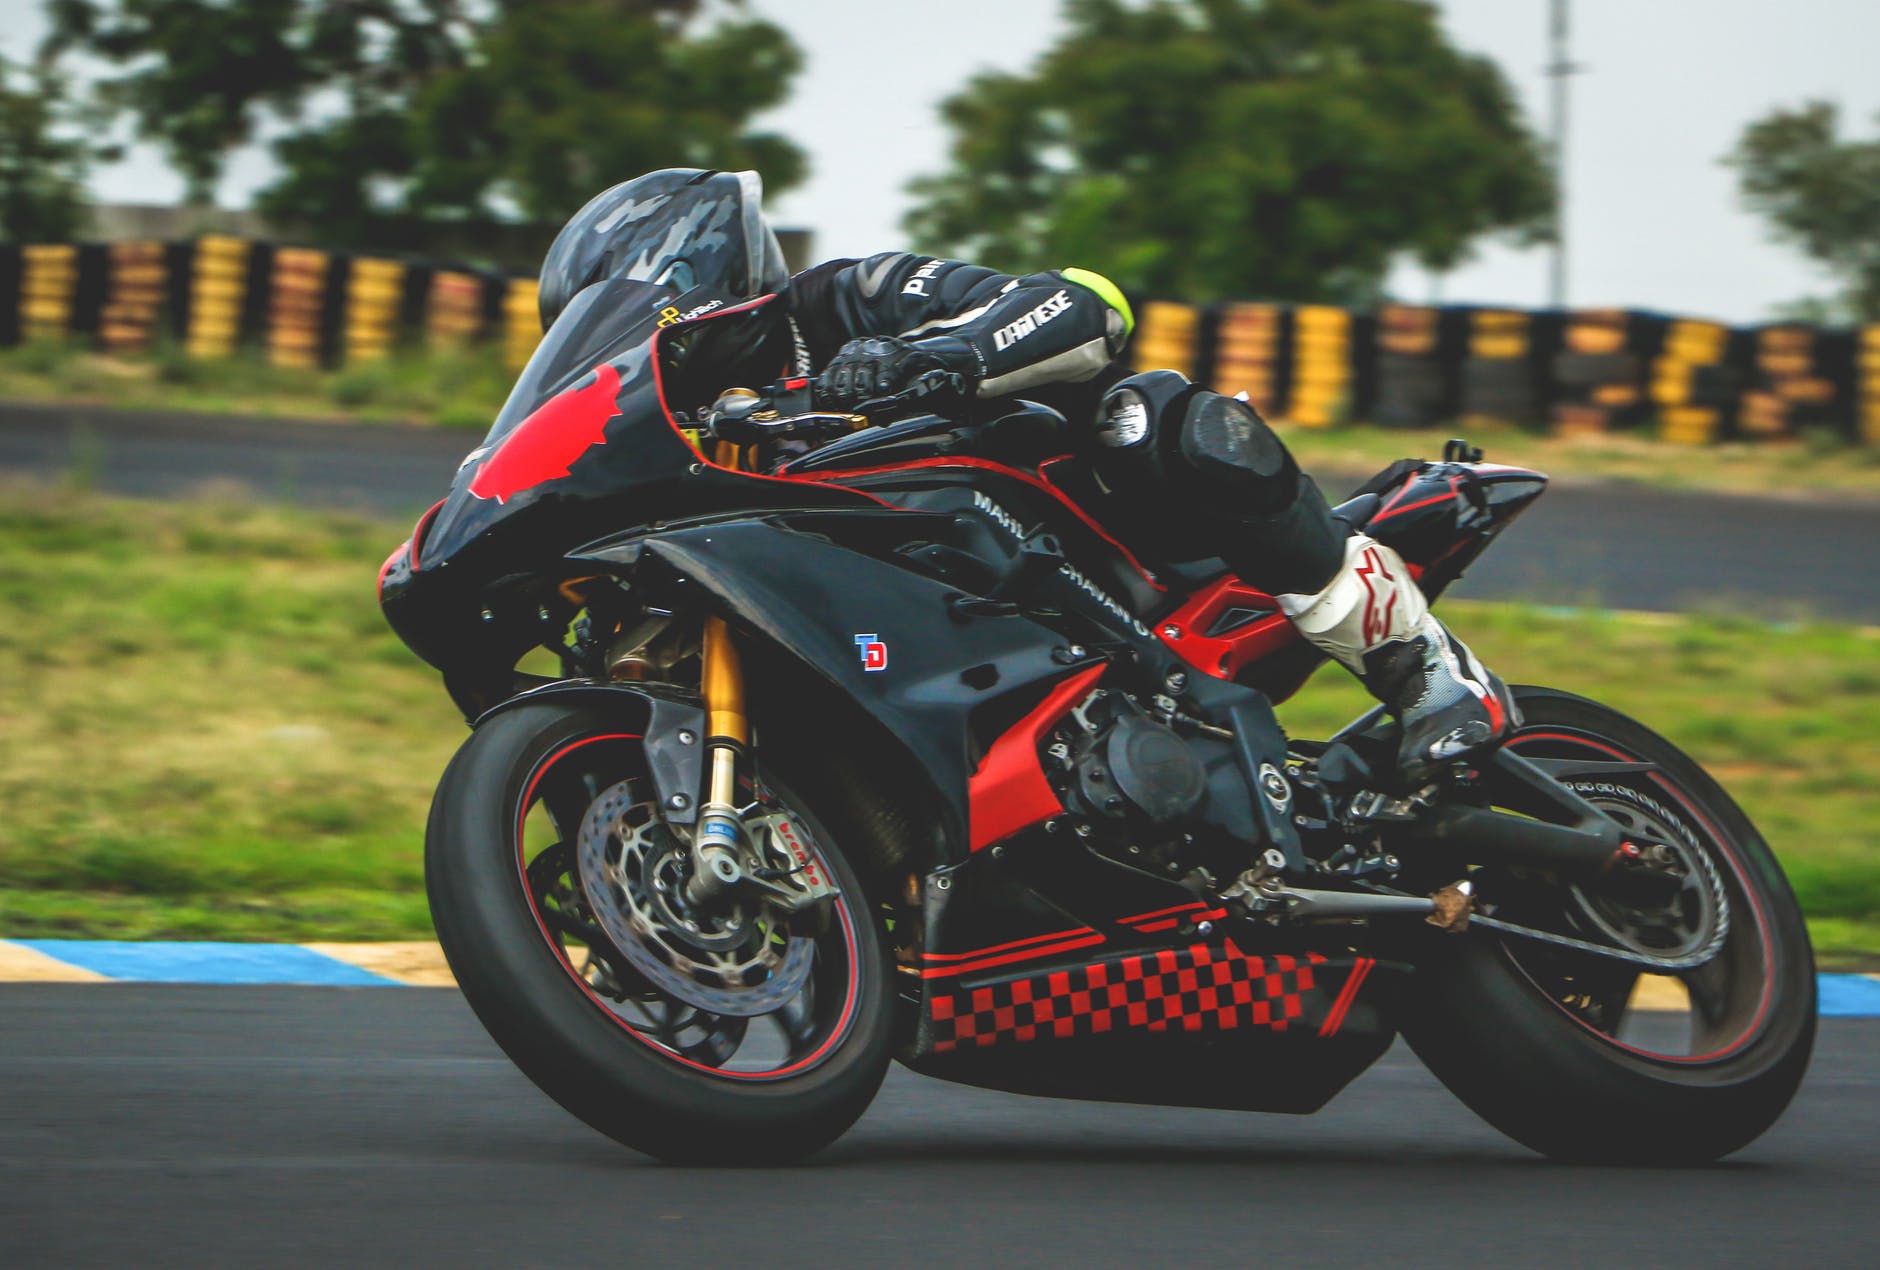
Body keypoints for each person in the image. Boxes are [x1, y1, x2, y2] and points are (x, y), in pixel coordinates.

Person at [537, 168, 1515, 784]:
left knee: (1157, 415)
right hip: (912, 628)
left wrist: (941, 355)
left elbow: (1078, 303)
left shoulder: (837, 299)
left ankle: (1430, 681)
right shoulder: (690, 447)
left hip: (1079, 533)